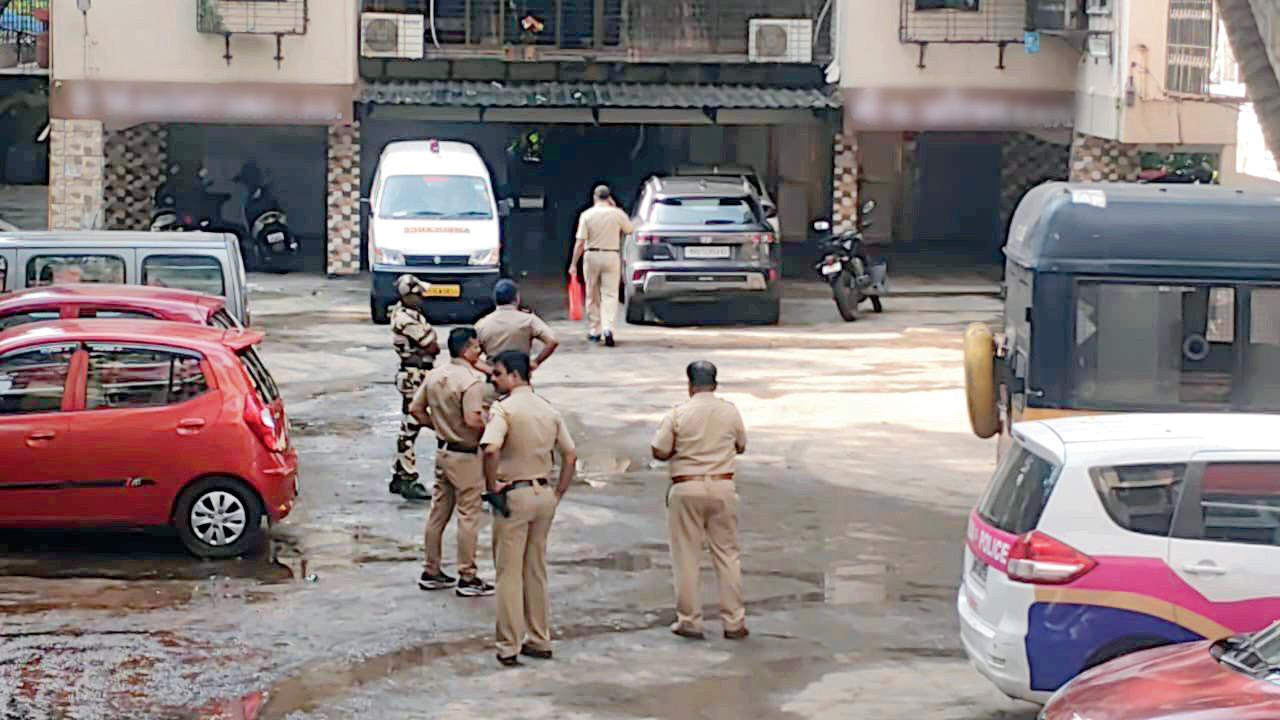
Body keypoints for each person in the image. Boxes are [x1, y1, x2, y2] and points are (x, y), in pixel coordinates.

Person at [481, 350, 577, 667]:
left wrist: (491, 484)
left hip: (514, 494)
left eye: (497, 374)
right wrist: (559, 491)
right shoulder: (548, 410)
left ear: (514, 375)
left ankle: (509, 644)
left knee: (509, 572)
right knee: (535, 570)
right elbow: (570, 455)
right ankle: (539, 638)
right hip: (543, 493)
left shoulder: (504, 410)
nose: (492, 379)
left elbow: (490, 448)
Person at [650, 361, 748, 641]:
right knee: (727, 555)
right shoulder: (730, 411)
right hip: (723, 486)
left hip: (686, 488)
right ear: (715, 384)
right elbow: (741, 445)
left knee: (686, 557)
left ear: (690, 385)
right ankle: (734, 622)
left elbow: (659, 449)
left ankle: (690, 620)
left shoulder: (678, 414)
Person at [409, 327, 495, 597]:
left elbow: (415, 409)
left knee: (438, 512)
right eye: (475, 346)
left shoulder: (435, 375)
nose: (479, 351)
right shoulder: (472, 381)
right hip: (466, 454)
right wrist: (492, 428)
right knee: (469, 515)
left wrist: (438, 427)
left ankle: (431, 569)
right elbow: (472, 419)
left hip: (443, 451)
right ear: (465, 349)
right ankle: (467, 575)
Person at [389, 275, 439, 501]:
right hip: (413, 375)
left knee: (409, 426)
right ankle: (406, 477)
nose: (422, 299)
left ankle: (400, 474)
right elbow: (431, 345)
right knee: (412, 425)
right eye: (418, 295)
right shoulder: (405, 319)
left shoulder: (410, 314)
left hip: (416, 373)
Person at [568, 185, 634, 347]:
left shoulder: (587, 215)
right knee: (610, 294)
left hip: (591, 256)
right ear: (609, 197)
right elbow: (630, 229)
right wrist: (615, 207)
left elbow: (580, 242)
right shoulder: (617, 214)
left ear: (594, 197)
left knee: (592, 293)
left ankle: (594, 330)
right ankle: (608, 328)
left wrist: (573, 263)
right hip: (611, 255)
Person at [475, 279, 559, 370]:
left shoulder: (482, 324)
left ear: (495, 299)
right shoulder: (529, 320)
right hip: (520, 374)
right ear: (517, 298)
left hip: (495, 378)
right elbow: (553, 340)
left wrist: (490, 370)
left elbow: (468, 355)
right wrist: (536, 362)